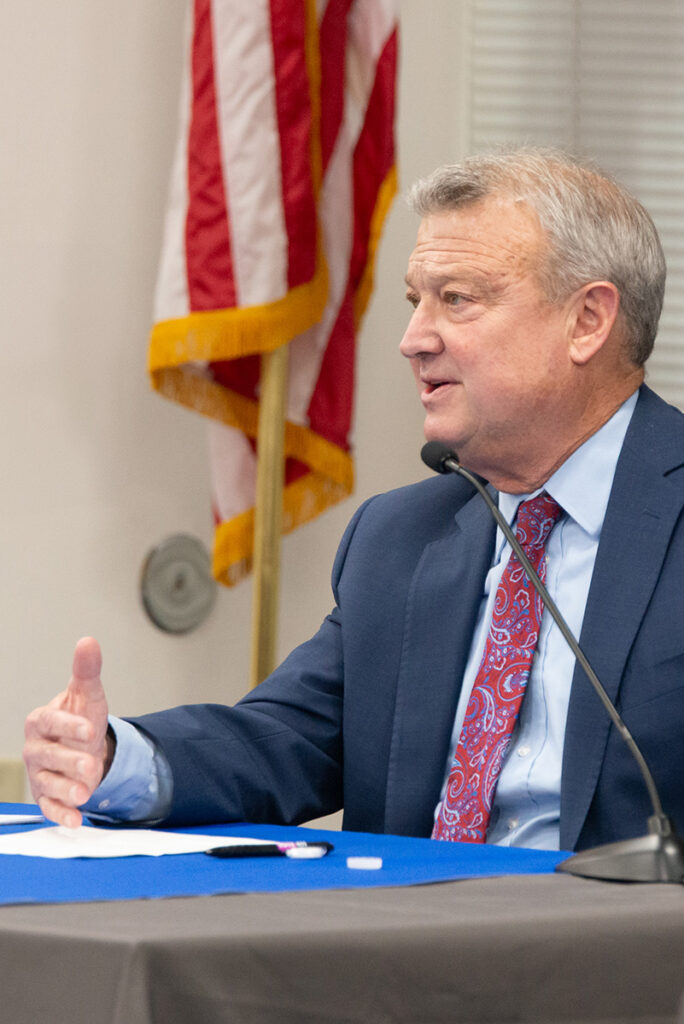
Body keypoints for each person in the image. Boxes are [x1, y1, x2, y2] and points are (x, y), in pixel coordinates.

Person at [24, 147, 684, 852]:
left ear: (587, 321)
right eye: (415, 302)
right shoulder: (400, 536)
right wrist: (115, 758)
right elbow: (289, 741)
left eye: (456, 299)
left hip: (618, 954)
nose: (412, 340)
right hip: (395, 947)